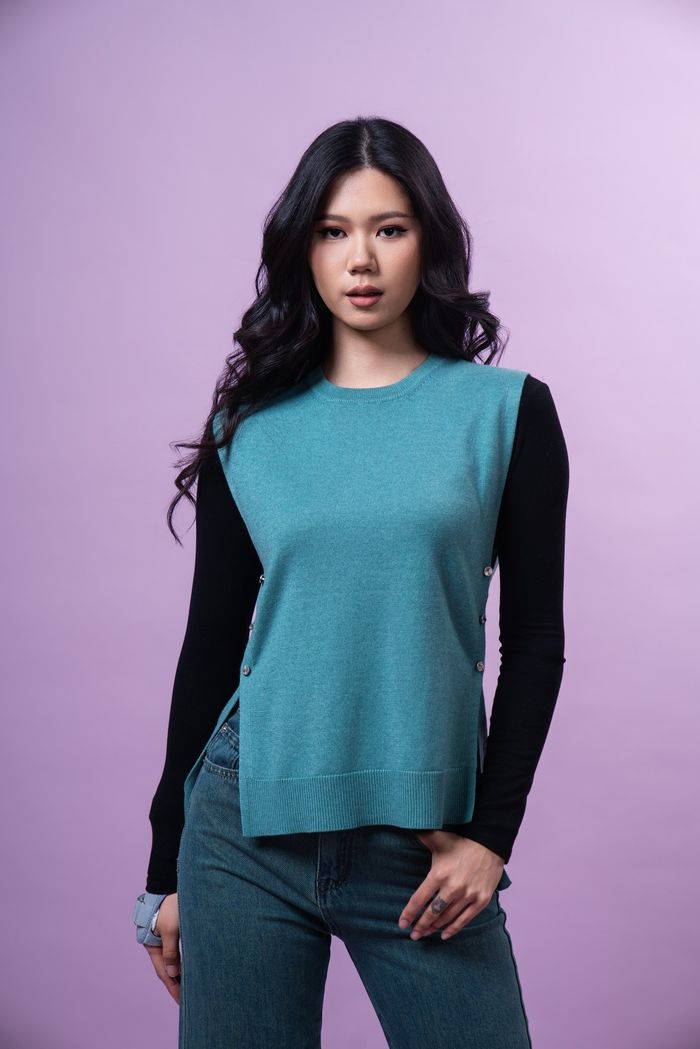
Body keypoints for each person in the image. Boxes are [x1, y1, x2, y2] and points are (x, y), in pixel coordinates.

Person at [133, 116, 569, 1049]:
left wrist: (492, 835)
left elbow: (535, 641)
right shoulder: (248, 428)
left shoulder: (507, 413)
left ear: (428, 241)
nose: (360, 259)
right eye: (333, 231)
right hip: (245, 825)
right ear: (305, 247)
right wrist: (164, 870)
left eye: (388, 228)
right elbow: (210, 647)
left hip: (423, 846)